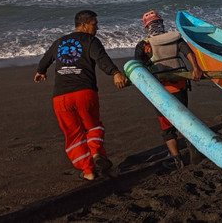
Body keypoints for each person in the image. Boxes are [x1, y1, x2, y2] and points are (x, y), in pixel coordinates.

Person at [34, 10, 128, 181]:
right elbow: (102, 59)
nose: (97, 28)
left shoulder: (59, 42)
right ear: (84, 25)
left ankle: (89, 172)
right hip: (84, 93)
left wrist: (41, 72)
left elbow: (45, 59)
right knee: (93, 127)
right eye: (94, 24)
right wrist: (115, 72)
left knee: (74, 134)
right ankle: (97, 154)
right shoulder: (91, 40)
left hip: (61, 98)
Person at [135, 10, 203, 170]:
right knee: (183, 119)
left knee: (167, 126)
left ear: (147, 27)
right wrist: (196, 69)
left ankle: (176, 159)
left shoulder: (144, 45)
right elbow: (189, 54)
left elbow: (138, 66)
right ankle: (193, 150)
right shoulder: (175, 38)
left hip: (159, 90)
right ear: (161, 23)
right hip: (179, 85)